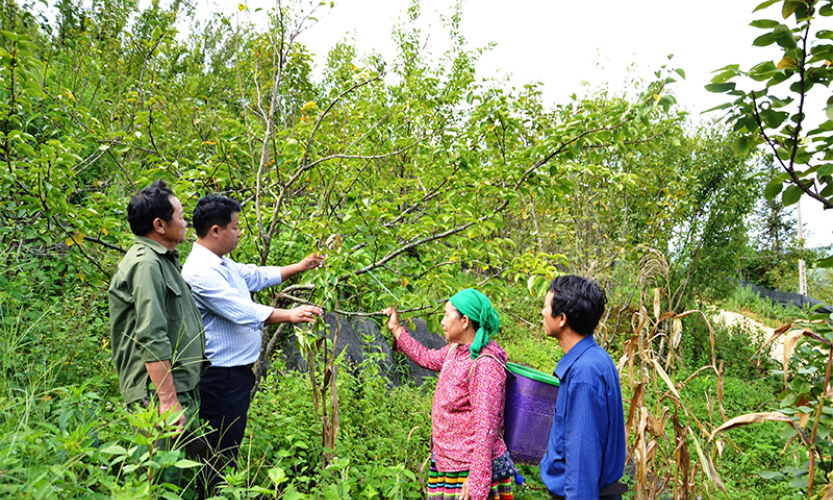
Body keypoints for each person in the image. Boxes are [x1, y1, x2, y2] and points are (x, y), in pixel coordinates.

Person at [180, 195, 323, 488]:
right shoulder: (199, 271)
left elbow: (254, 276)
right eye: (235, 227)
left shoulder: (221, 263)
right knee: (218, 452)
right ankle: (213, 494)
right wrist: (290, 314)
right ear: (216, 230)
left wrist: (299, 266)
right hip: (219, 377)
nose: (239, 232)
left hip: (235, 375)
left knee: (228, 447)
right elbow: (242, 311)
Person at [108, 180, 208, 488]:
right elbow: (151, 335)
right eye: (179, 215)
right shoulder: (146, 264)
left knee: (180, 480)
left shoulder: (163, 261)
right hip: (159, 394)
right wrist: (167, 400)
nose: (185, 221)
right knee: (159, 482)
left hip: (178, 387)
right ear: (159, 225)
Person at [383, 289, 517, 500]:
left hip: (470, 470)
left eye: (447, 315)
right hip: (448, 462)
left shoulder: (485, 364)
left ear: (464, 321)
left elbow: (486, 427)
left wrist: (477, 481)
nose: (443, 321)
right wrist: (396, 328)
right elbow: (426, 357)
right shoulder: (456, 350)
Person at [539, 275, 627, 500]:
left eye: (546, 307)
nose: (542, 313)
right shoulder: (595, 359)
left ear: (561, 319)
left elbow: (582, 465)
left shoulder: (584, 374)